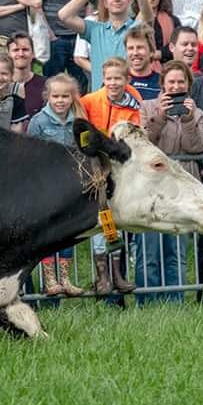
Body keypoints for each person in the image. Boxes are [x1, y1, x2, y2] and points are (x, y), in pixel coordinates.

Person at [137, 60, 203, 304]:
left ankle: (175, 302)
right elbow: (144, 143)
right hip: (151, 186)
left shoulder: (196, 113)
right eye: (171, 82)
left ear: (188, 85)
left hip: (181, 187)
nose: (176, 86)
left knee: (176, 250)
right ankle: (147, 301)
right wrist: (160, 117)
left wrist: (187, 120)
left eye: (181, 82)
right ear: (163, 84)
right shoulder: (147, 107)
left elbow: (196, 147)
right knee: (150, 248)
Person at [80, 57, 141, 295]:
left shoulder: (133, 106)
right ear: (102, 79)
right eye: (108, 79)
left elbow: (135, 136)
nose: (113, 83)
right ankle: (103, 275)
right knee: (100, 219)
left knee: (116, 220)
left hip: (120, 170)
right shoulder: (89, 101)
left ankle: (117, 273)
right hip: (95, 169)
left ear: (127, 80)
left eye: (118, 78)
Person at [58, 0, 152, 91]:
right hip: (99, 100)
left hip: (129, 98)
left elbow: (148, 17)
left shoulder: (135, 29)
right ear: (105, 3)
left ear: (129, 1)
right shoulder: (95, 29)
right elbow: (64, 15)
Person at [27, 73, 86, 297]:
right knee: (50, 233)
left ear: (72, 98)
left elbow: (83, 149)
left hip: (70, 186)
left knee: (68, 233)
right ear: (47, 97)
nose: (60, 101)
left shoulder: (78, 120)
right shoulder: (39, 122)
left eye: (65, 96)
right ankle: (50, 279)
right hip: (46, 186)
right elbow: (30, 154)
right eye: (55, 96)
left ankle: (66, 278)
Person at [8, 33, 44, 120]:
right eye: (16, 50)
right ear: (8, 54)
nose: (21, 54)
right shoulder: (0, 85)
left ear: (33, 54)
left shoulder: (46, 85)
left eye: (25, 49)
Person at [125, 25, 160, 100]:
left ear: (151, 51)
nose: (135, 53)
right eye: (131, 48)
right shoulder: (115, 81)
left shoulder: (162, 82)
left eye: (140, 47)